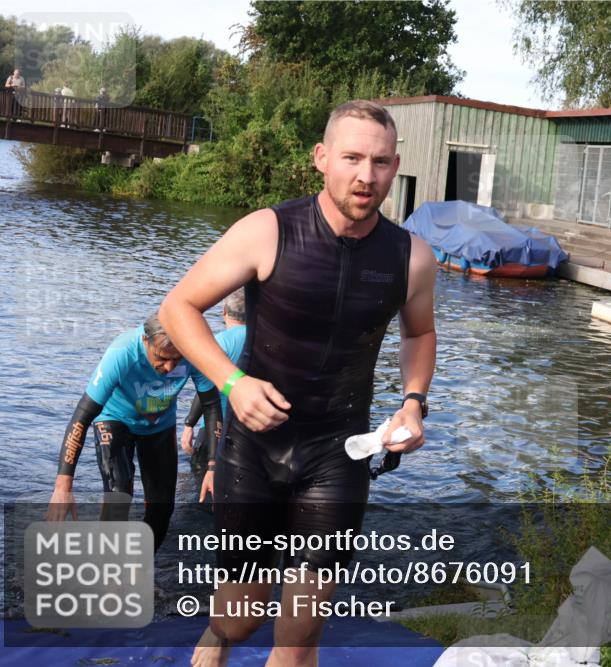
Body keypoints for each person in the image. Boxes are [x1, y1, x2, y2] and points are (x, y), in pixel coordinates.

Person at [158, 99, 436, 667]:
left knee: (302, 629)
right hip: (254, 449)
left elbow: (420, 334)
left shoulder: (412, 257)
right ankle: (218, 637)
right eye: (352, 157)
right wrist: (233, 383)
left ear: (396, 166)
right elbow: (178, 309)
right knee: (241, 616)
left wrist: (413, 404)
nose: (366, 176)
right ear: (321, 158)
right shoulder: (267, 230)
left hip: (339, 452)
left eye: (380, 162)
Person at [46, 314, 222, 552]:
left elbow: (211, 406)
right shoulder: (122, 353)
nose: (169, 367)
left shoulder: (193, 352)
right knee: (119, 494)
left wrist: (212, 466)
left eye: (176, 360)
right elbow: (81, 418)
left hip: (159, 424)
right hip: (115, 419)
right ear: (145, 341)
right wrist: (63, 486)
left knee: (162, 508)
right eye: (161, 357)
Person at [180, 289, 246, 501]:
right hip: (249, 430)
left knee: (201, 490)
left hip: (214, 430)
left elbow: (205, 391)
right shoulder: (263, 341)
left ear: (224, 311)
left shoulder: (217, 343)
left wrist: (189, 424)